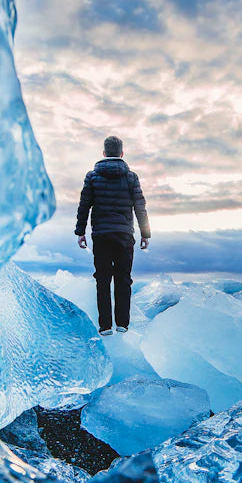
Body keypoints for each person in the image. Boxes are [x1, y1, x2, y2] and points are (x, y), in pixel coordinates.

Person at [75, 135, 151, 335]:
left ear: (104, 153)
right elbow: (140, 206)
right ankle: (122, 324)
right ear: (122, 153)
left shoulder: (92, 176)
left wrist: (80, 232)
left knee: (102, 279)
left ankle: (105, 326)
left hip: (101, 235)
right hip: (124, 235)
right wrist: (145, 234)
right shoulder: (131, 177)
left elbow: (84, 206)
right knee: (123, 278)